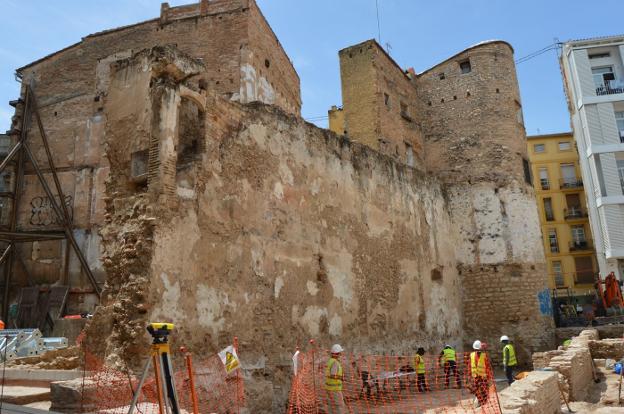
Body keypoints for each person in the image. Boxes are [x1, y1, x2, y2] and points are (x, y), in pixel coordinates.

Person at [324, 344, 347, 414]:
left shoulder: (330, 361)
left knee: (331, 407)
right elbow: (333, 375)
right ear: (337, 353)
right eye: (340, 353)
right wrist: (341, 378)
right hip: (335, 390)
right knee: (340, 407)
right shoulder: (335, 363)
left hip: (329, 388)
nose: (341, 354)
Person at [470, 340, 489, 407]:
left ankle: (480, 401)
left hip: (475, 375)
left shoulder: (471, 355)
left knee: (478, 388)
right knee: (483, 389)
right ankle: (482, 401)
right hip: (482, 376)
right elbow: (487, 366)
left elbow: (469, 365)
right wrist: (488, 376)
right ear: (481, 347)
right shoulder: (484, 355)